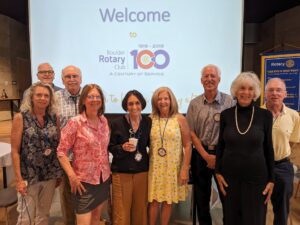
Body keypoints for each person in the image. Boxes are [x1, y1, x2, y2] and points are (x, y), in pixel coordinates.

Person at [215, 72, 274, 225]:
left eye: (250, 89)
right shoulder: (226, 115)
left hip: (257, 180)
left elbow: (268, 148)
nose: (246, 92)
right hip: (230, 179)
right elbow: (221, 145)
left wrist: (271, 180)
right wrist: (217, 172)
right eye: (242, 88)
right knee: (231, 219)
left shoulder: (265, 115)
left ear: (255, 93)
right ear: (235, 91)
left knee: (254, 220)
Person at [186, 64, 235, 225]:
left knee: (227, 197)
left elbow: (234, 131)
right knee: (201, 199)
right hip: (201, 156)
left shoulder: (229, 102)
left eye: (213, 76)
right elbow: (191, 132)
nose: (209, 79)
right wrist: (206, 155)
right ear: (201, 81)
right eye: (206, 76)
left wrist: (218, 156)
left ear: (219, 79)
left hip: (225, 156)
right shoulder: (194, 104)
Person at [57, 84, 110, 225]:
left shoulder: (104, 121)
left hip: (103, 179)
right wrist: (72, 176)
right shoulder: (75, 123)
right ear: (84, 100)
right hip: (83, 182)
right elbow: (61, 151)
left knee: (96, 219)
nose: (94, 99)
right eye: (90, 96)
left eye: (98, 96)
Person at [11, 82, 63, 225]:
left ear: (50, 99)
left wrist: (58, 173)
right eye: (39, 95)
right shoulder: (20, 118)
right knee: (25, 217)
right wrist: (18, 179)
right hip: (28, 175)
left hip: (50, 175)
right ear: (31, 97)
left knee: (44, 215)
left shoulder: (54, 117)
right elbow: (15, 151)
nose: (42, 98)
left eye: (46, 95)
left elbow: (57, 145)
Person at [148, 87, 191, 225]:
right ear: (155, 102)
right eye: (159, 99)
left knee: (168, 201)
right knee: (153, 201)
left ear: (171, 100)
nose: (163, 102)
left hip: (173, 168)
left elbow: (188, 145)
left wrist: (185, 169)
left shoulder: (179, 119)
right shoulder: (150, 119)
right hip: (154, 168)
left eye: (166, 98)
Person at [109, 90, 152, 225]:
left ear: (142, 104)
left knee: (140, 210)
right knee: (121, 211)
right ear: (126, 106)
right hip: (122, 171)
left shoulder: (148, 122)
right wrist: (122, 148)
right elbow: (110, 147)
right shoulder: (117, 123)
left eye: (137, 103)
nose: (134, 107)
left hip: (142, 171)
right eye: (130, 104)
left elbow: (152, 144)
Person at [264, 78, 300, 225]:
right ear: (265, 94)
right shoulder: (257, 113)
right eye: (271, 90)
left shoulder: (293, 116)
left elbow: (294, 143)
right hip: (261, 166)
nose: (275, 93)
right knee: (258, 207)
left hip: (283, 167)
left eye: (279, 90)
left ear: (285, 94)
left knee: (282, 209)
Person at [56, 65, 82, 225]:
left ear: (81, 78)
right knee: (67, 196)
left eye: (75, 76)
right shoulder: (55, 98)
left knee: (87, 195)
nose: (72, 79)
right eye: (68, 76)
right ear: (62, 80)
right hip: (66, 157)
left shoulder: (88, 96)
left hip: (86, 158)